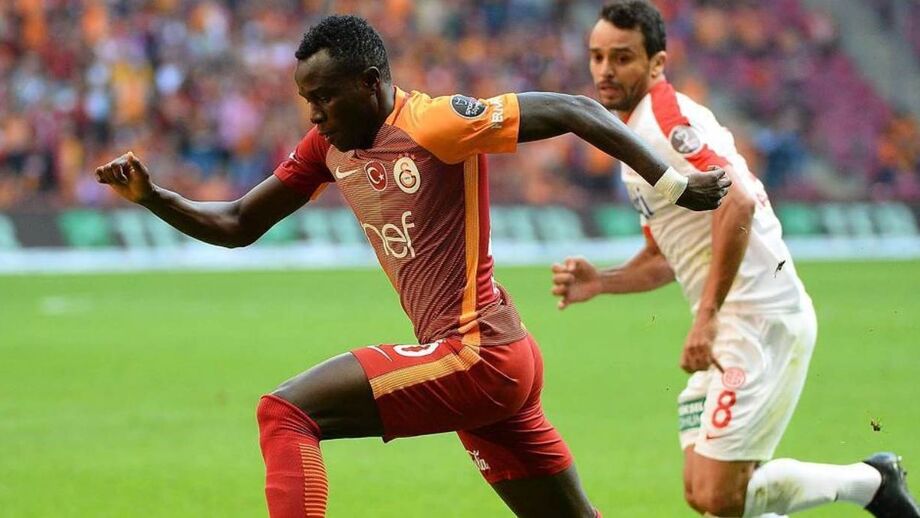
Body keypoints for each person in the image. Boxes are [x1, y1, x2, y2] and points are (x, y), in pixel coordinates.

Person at [93, 14, 729, 518]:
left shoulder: (433, 123)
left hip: (474, 353)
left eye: (325, 97)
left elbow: (576, 110)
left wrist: (673, 184)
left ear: (370, 83)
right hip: (493, 362)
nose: (314, 114)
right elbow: (238, 223)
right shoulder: (327, 146)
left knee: (284, 414)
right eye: (306, 99)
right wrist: (153, 198)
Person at [550, 2, 920, 517]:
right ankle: (870, 483)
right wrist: (603, 281)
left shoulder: (666, 124)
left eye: (622, 57)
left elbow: (738, 201)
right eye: (597, 57)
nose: (605, 70)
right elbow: (665, 257)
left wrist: (706, 317)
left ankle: (872, 483)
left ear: (657, 63)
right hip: (734, 319)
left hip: (759, 317)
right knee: (705, 493)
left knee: (722, 495)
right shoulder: (636, 137)